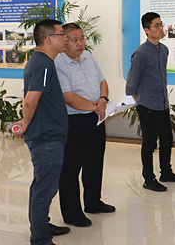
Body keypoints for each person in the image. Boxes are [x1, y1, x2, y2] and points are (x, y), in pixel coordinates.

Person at [14, 19, 70, 244]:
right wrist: (26, 123)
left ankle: (42, 226)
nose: (66, 38)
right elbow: (30, 100)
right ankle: (40, 239)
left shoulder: (40, 61)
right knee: (44, 190)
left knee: (42, 187)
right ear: (49, 39)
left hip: (48, 135)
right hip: (47, 138)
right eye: (62, 34)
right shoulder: (44, 64)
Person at [55, 23, 115, 228]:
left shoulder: (88, 56)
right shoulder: (58, 63)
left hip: (96, 117)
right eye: (75, 40)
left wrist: (103, 99)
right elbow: (68, 96)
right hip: (75, 120)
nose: (80, 43)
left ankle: (93, 202)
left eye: (82, 38)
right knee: (71, 168)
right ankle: (72, 213)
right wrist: (95, 107)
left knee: (95, 161)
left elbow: (102, 81)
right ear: (64, 41)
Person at [126, 12, 175, 192]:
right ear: (146, 30)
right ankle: (149, 179)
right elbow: (131, 84)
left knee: (167, 139)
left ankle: (166, 172)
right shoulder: (141, 53)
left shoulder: (164, 49)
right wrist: (141, 102)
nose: (161, 28)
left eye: (161, 24)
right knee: (149, 143)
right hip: (147, 105)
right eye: (156, 25)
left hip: (162, 103)